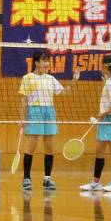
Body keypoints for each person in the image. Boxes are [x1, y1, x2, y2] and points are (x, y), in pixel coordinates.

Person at [19, 51, 77, 191]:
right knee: (31, 147)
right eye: (44, 61)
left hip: (49, 112)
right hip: (34, 112)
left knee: (49, 148)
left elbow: (65, 92)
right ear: (36, 62)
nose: (46, 63)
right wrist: (22, 118)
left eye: (47, 61)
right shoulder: (27, 78)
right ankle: (26, 178)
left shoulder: (50, 78)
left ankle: (47, 179)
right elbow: (23, 100)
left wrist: (74, 80)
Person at [80, 55, 111, 194]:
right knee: (99, 150)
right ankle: (96, 182)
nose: (100, 67)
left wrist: (103, 113)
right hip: (105, 120)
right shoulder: (110, 81)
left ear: (106, 66)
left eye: (101, 64)